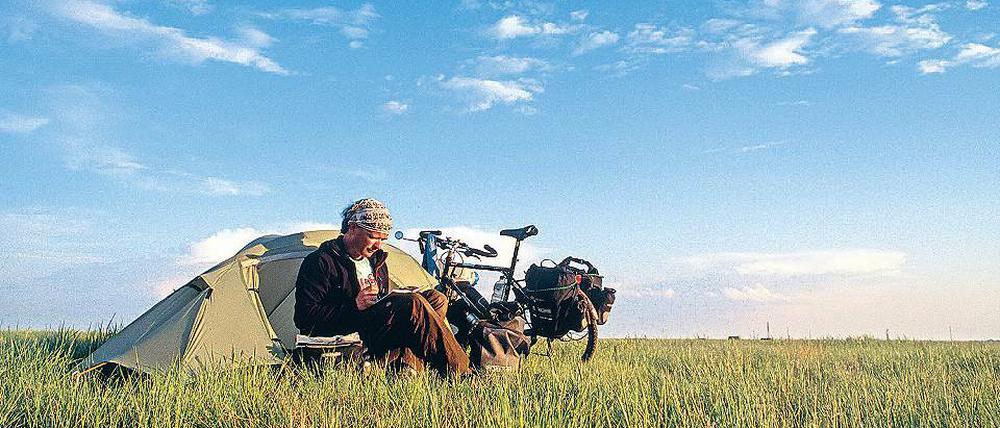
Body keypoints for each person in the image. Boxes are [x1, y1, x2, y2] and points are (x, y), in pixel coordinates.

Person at [293, 198, 470, 376]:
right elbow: (304, 318)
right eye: (373, 237)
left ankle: (406, 365)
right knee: (412, 303)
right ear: (352, 228)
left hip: (375, 329)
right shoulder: (320, 261)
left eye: (383, 239)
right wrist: (354, 306)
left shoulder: (377, 262)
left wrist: (393, 296)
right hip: (348, 331)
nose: (378, 245)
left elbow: (381, 304)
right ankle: (460, 372)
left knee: (436, 298)